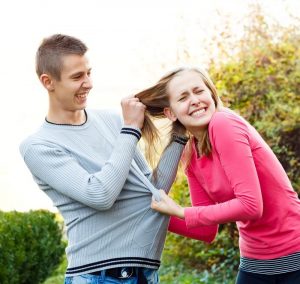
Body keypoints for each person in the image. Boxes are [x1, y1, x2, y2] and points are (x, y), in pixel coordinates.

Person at [19, 34, 201, 284]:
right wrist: (130, 131)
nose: (88, 83)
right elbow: (100, 195)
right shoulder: (39, 146)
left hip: (146, 275)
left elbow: (152, 191)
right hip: (98, 277)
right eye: (77, 77)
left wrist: (179, 133)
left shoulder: (113, 122)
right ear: (48, 81)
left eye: (88, 73)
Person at [134, 67, 300, 283]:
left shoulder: (224, 124)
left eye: (199, 91)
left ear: (211, 94)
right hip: (255, 262)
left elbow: (251, 205)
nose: (194, 100)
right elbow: (206, 231)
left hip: (294, 255)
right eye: (183, 97)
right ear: (171, 113)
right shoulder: (190, 152)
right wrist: (153, 212)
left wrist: (180, 211)